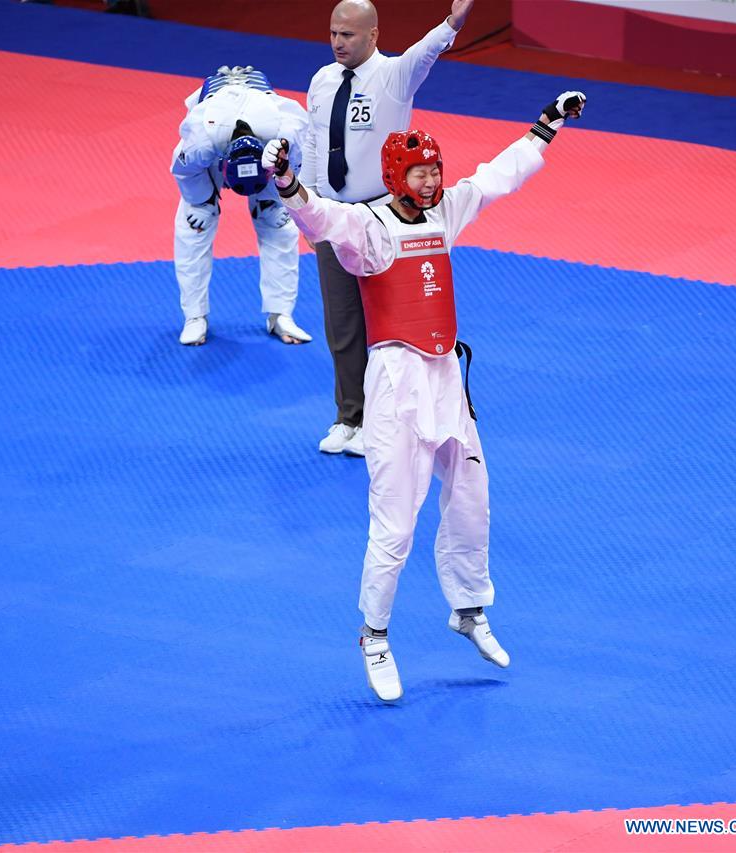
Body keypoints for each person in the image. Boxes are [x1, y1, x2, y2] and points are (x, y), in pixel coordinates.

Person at [262, 91, 587, 701]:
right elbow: (321, 219)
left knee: (471, 499)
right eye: (422, 171)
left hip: (446, 379)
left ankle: (468, 609)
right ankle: (375, 634)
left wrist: (547, 125)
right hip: (394, 385)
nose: (434, 180)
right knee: (395, 524)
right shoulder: (370, 227)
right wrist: (286, 180)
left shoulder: (444, 213)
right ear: (396, 176)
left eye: (436, 170)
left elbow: (495, 180)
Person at [301, 0, 476, 456]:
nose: (339, 42)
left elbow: (427, 52)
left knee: (389, 325)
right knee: (341, 324)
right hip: (335, 217)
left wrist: (454, 20)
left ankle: (392, 421)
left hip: (383, 220)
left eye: (349, 35)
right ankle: (349, 419)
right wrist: (309, 210)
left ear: (373, 35)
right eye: (334, 33)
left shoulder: (395, 77)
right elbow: (315, 145)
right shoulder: (321, 82)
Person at [171, 65, 312, 346]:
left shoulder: (288, 134)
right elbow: (184, 171)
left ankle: (281, 315)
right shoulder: (200, 140)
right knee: (195, 224)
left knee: (278, 223)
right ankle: (194, 318)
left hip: (265, 145)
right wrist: (202, 203)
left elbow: (296, 174)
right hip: (216, 129)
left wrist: (283, 195)